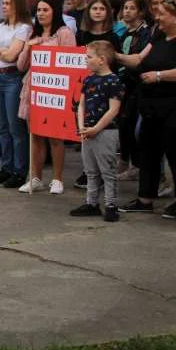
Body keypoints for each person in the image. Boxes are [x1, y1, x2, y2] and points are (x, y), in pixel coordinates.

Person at [117, 0, 176, 219]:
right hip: (152, 105)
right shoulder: (158, 35)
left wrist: (159, 75)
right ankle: (146, 198)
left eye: (162, 14)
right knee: (148, 151)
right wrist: (112, 55)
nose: (158, 18)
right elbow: (138, 60)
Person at [16, 0, 76, 194]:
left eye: (45, 10)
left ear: (55, 12)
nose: (41, 14)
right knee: (36, 135)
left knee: (55, 136)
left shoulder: (64, 33)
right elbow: (20, 65)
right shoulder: (33, 34)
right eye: (39, 10)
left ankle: (57, 179)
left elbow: (70, 64)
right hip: (32, 88)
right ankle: (36, 177)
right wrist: (28, 48)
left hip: (55, 90)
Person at [69, 42, 124, 221]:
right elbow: (81, 104)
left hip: (105, 131)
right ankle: (91, 203)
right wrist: (81, 126)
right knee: (90, 170)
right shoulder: (89, 79)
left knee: (108, 170)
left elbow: (113, 109)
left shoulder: (113, 80)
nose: (86, 60)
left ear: (102, 60)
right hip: (87, 131)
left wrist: (96, 128)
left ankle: (111, 205)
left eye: (89, 57)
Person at [0, 0, 32, 189]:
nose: (3, 6)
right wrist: (0, 52)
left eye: (7, 3)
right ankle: (6, 167)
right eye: (3, 3)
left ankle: (20, 171)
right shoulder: (2, 27)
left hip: (12, 77)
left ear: (17, 6)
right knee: (2, 126)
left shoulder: (24, 28)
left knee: (15, 128)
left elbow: (13, 55)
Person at [116, 0, 152, 181]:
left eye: (132, 8)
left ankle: (136, 165)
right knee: (124, 124)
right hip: (124, 82)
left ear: (141, 11)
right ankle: (125, 159)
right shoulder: (123, 32)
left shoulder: (145, 33)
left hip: (137, 83)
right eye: (125, 7)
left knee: (132, 124)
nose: (127, 11)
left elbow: (139, 60)